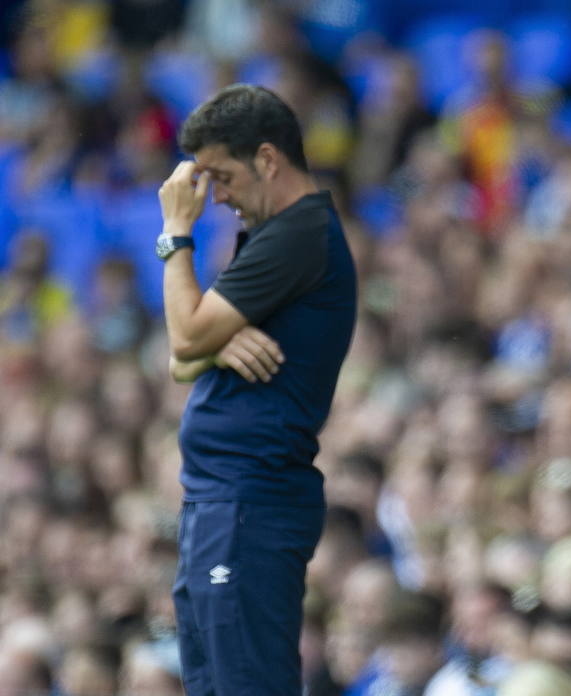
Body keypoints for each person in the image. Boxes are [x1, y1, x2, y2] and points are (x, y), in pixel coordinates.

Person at [156, 83, 357, 694]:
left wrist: (174, 233)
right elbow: (181, 356)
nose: (215, 198)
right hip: (223, 499)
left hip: (251, 498)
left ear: (267, 160)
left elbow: (184, 337)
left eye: (222, 177)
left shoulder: (299, 233)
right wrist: (214, 342)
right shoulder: (277, 236)